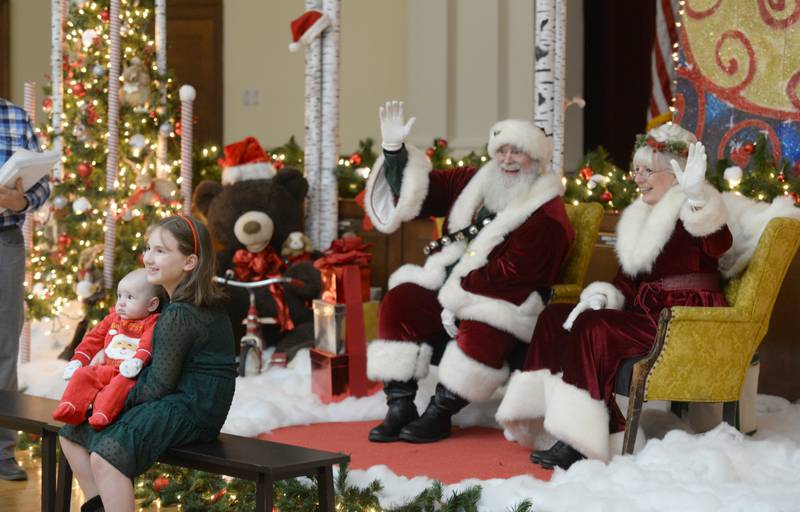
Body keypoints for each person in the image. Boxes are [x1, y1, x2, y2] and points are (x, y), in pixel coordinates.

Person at [495, 123, 732, 470]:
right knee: (554, 317)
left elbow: (719, 245)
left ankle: (583, 438)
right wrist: (602, 297)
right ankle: (540, 418)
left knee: (594, 329)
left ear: (677, 174)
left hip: (681, 319)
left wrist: (697, 196)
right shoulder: (640, 214)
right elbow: (625, 283)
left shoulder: (695, 208)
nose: (638, 178)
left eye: (648, 171)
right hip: (643, 314)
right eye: (637, 169)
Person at [364, 101, 574, 444]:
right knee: (401, 300)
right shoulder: (475, 181)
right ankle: (399, 405)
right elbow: (421, 192)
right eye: (501, 150)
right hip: (453, 289)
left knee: (484, 325)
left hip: (507, 305)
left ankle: (441, 412)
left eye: (517, 153)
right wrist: (394, 151)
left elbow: (510, 278)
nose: (507, 159)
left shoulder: (548, 218)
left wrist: (454, 302)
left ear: (536, 161)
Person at [58, 215, 237, 512]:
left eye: (161, 251)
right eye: (148, 248)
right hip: (176, 396)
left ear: (190, 262)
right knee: (72, 433)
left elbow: (157, 385)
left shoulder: (180, 314)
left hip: (192, 406)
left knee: (106, 456)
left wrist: (107, 398)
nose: (148, 258)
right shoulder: (169, 303)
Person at [0, 97, 51, 481]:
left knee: (3, 350)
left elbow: (42, 186)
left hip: (5, 242)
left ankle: (2, 453)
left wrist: (23, 199)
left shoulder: (15, 117)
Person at [53, 269, 163, 430]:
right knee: (84, 374)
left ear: (152, 304)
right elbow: (93, 338)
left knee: (118, 387)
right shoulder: (113, 319)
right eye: (119, 296)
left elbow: (147, 344)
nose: (121, 302)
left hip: (126, 373)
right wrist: (79, 360)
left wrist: (138, 360)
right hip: (106, 367)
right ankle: (71, 407)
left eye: (130, 297)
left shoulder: (152, 322)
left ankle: (102, 413)